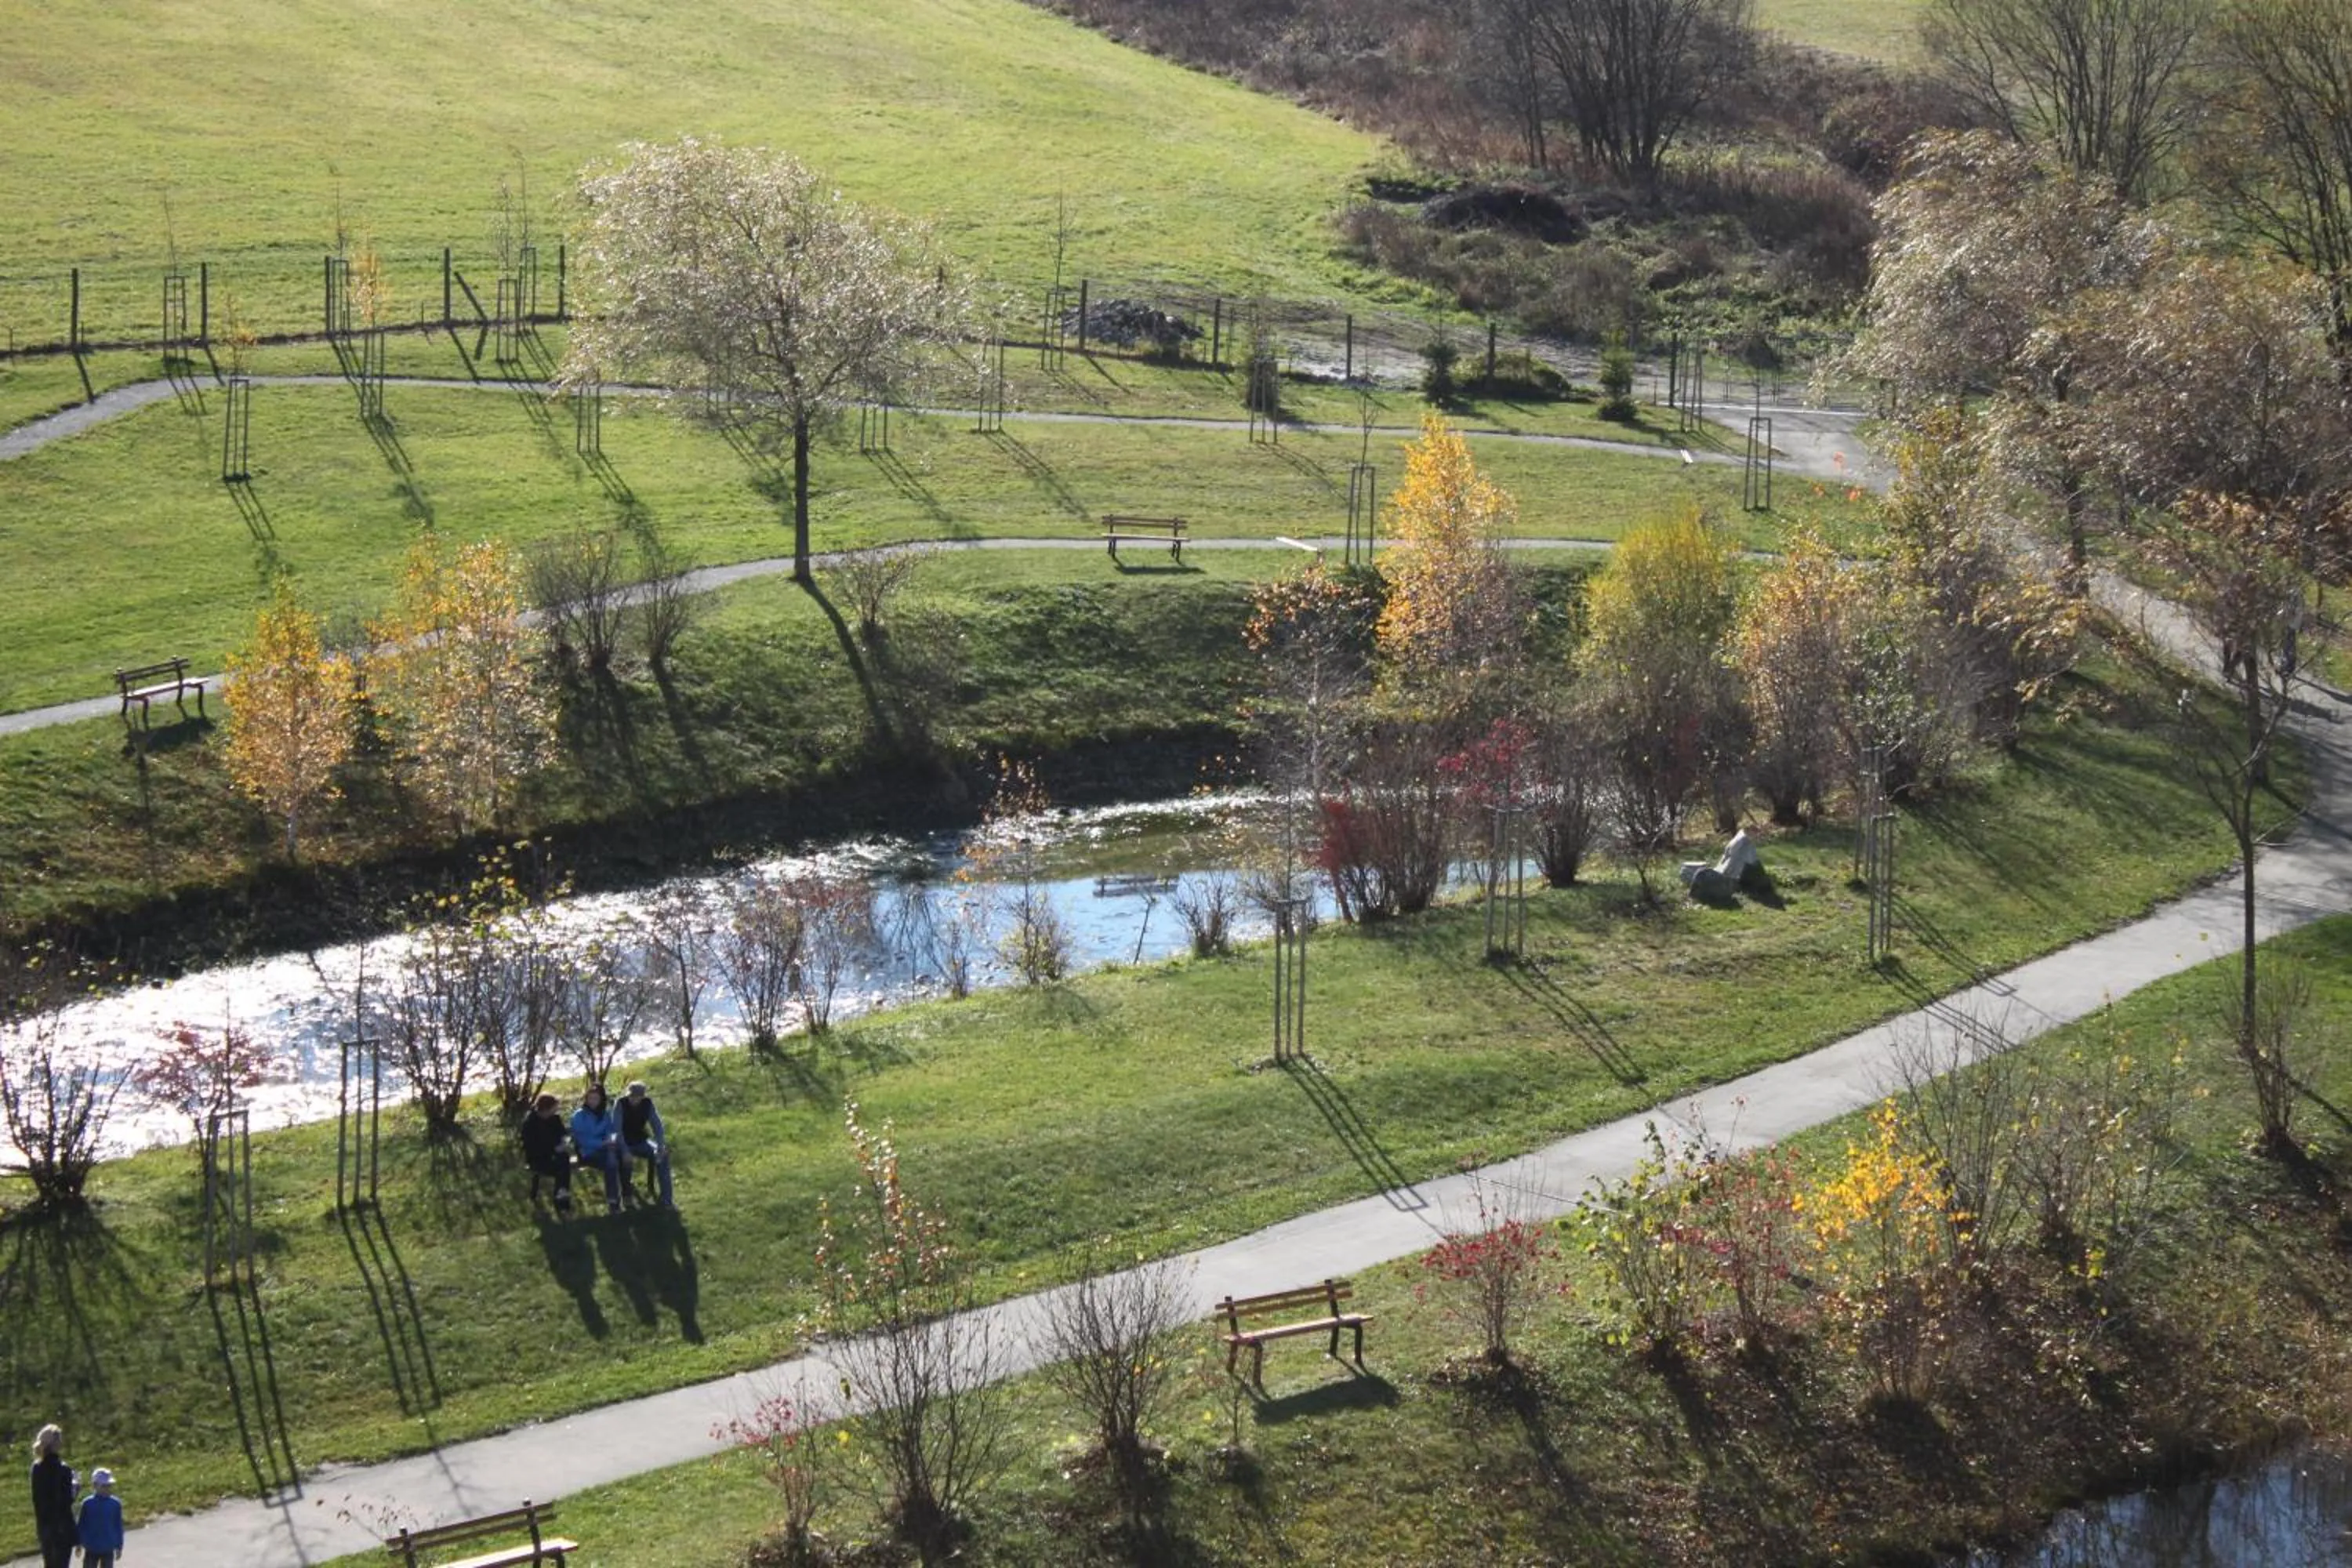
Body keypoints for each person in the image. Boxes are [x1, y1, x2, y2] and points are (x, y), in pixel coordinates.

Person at [569, 1083, 629, 1214]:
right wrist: (603, 1143)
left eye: (596, 1098)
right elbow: (582, 1140)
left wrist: (611, 1140)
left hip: (606, 1148)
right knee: (611, 1164)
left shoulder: (605, 1114)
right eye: (590, 1098)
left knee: (625, 1156)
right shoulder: (579, 1116)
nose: (593, 1102)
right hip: (587, 1152)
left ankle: (627, 1193)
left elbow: (611, 1131)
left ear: (601, 1099)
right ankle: (613, 1202)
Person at [619, 1080, 675, 1209]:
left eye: (637, 1097)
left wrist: (660, 1146)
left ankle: (667, 1199)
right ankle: (627, 1195)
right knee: (626, 1161)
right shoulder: (621, 1104)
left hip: (641, 1141)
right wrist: (624, 1150)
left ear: (642, 1097)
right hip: (624, 1143)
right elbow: (616, 1130)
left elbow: (657, 1125)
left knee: (663, 1156)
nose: (634, 1100)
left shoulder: (647, 1104)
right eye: (632, 1096)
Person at [520, 1092, 575, 1215]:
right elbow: (531, 1147)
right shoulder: (530, 1123)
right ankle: (562, 1202)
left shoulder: (555, 1119)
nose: (554, 1112)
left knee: (563, 1161)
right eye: (553, 1109)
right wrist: (553, 1150)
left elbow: (563, 1133)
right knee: (563, 1167)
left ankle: (562, 1200)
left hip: (557, 1156)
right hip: (538, 1159)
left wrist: (565, 1142)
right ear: (545, 1109)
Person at [28, 1425, 75, 1568]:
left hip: (45, 1527)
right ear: (54, 1443)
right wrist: (76, 1488)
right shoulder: (64, 1469)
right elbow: (66, 1500)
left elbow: (38, 1499)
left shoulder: (36, 1468)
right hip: (62, 1527)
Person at [74, 1468, 122, 1568]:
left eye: (109, 1486)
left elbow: (118, 1525)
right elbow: (81, 1524)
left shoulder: (115, 1504)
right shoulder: (87, 1503)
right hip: (91, 1547)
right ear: (95, 1486)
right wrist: (78, 1543)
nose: (107, 1489)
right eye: (104, 1486)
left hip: (108, 1547)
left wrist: (119, 1546)